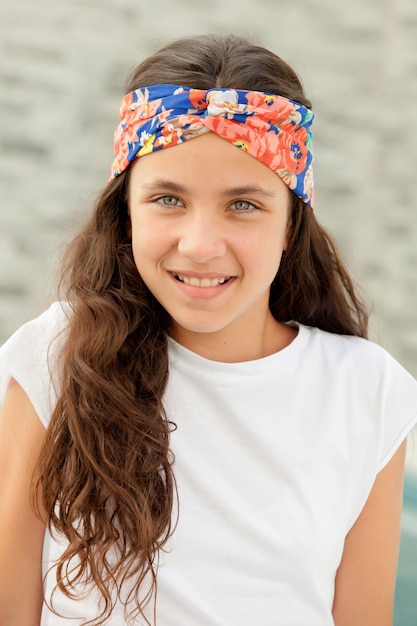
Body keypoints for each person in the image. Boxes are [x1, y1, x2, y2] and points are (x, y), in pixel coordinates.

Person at [0, 33, 416, 626]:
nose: (198, 246)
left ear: (293, 224)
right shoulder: (59, 357)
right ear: (126, 214)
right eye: (168, 198)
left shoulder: (367, 391)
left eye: (243, 205)